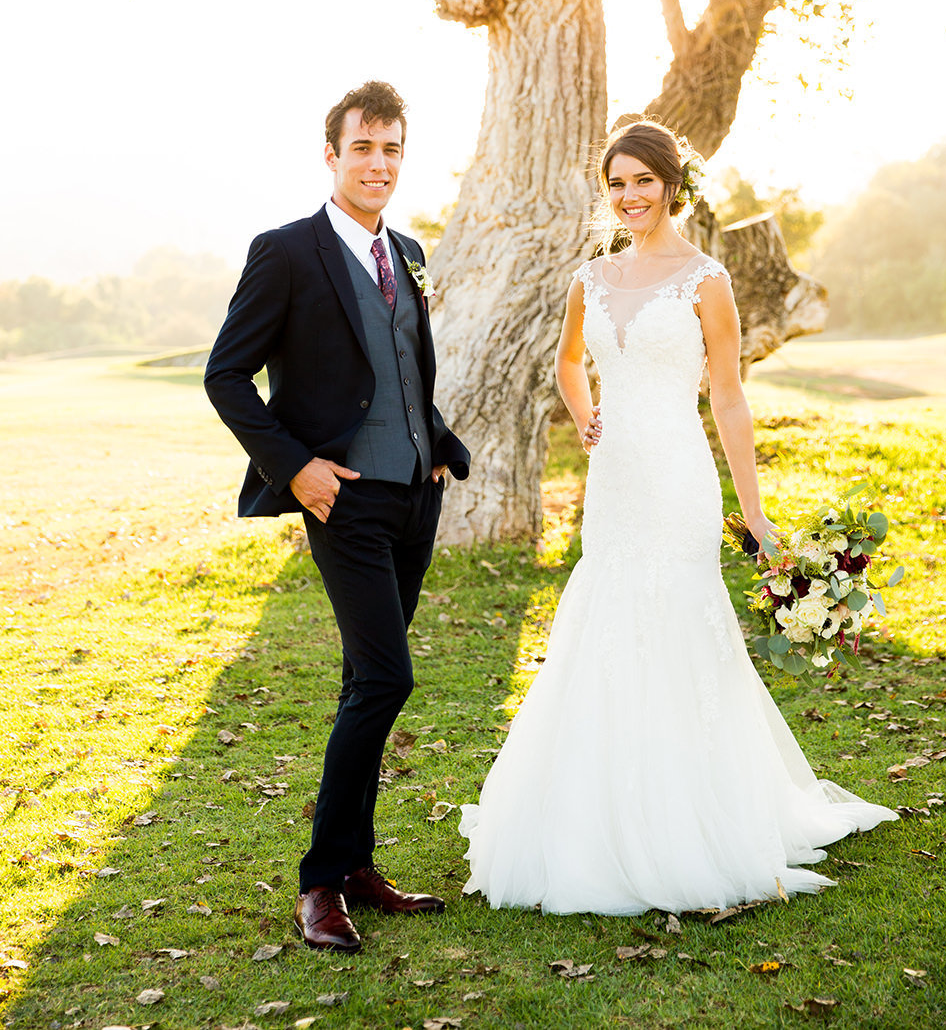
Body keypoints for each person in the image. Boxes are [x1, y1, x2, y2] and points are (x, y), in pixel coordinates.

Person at [459, 120, 895, 915]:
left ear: (672, 184)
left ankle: (699, 812)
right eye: (617, 183)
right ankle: (595, 811)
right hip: (615, 480)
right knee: (608, 615)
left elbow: (727, 395)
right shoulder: (590, 278)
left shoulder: (707, 280)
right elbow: (566, 362)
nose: (629, 196)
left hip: (680, 479)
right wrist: (586, 413)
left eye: (642, 181)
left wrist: (754, 513)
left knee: (682, 622)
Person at [205, 80, 470, 952]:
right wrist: (297, 467)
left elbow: (403, 367)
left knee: (369, 682)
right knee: (388, 678)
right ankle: (321, 881)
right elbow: (226, 376)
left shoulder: (412, 251)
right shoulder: (285, 252)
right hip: (344, 501)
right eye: (363, 148)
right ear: (332, 155)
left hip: (414, 498)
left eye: (392, 149)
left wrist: (436, 441)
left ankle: (355, 865)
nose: (379, 164)